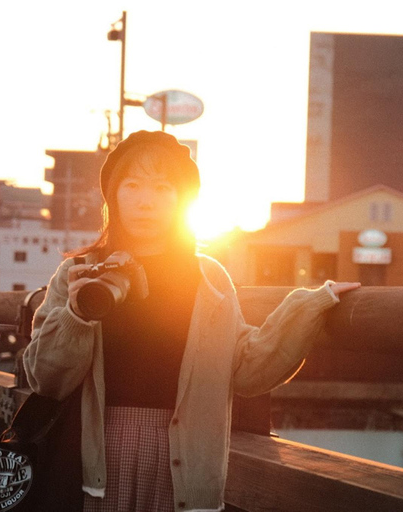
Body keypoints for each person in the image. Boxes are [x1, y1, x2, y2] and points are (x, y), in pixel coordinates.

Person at [22, 130, 361, 512]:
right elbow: (44, 379)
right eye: (132, 185)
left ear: (182, 200)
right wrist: (77, 313)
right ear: (113, 194)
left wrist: (312, 304)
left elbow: (247, 369)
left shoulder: (208, 279)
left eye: (163, 188)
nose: (146, 201)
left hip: (184, 460)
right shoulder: (79, 273)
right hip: (95, 457)